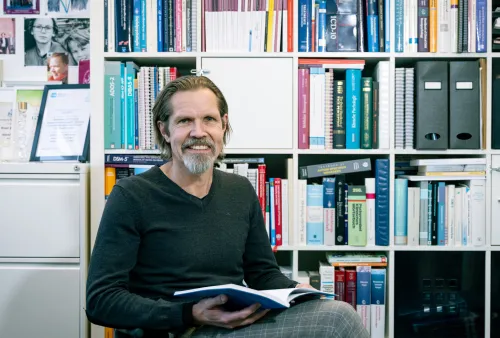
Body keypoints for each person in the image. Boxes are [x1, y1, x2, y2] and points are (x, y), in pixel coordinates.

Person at [85, 75, 370, 338]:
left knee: (333, 313)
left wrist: (297, 291)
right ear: (165, 130)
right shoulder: (131, 195)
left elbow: (262, 274)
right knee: (338, 321)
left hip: (234, 326)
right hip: (174, 330)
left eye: (209, 119)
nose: (199, 132)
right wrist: (189, 313)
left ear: (223, 125)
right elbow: (100, 300)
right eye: (185, 121)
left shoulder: (239, 190)